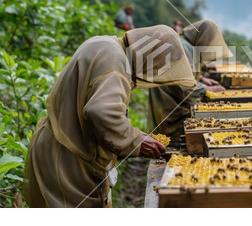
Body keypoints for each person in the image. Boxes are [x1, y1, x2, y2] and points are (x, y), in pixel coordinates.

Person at [23, 26, 197, 208]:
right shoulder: (116, 63)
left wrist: (133, 136)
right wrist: (136, 140)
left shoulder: (107, 44)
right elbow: (101, 112)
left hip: (57, 146)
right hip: (68, 160)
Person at [148, 19, 232, 146]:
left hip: (171, 99)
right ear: (202, 37)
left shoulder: (188, 46)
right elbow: (182, 82)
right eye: (208, 40)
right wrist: (204, 89)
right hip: (170, 103)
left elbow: (184, 72)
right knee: (171, 137)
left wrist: (201, 79)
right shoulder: (183, 47)